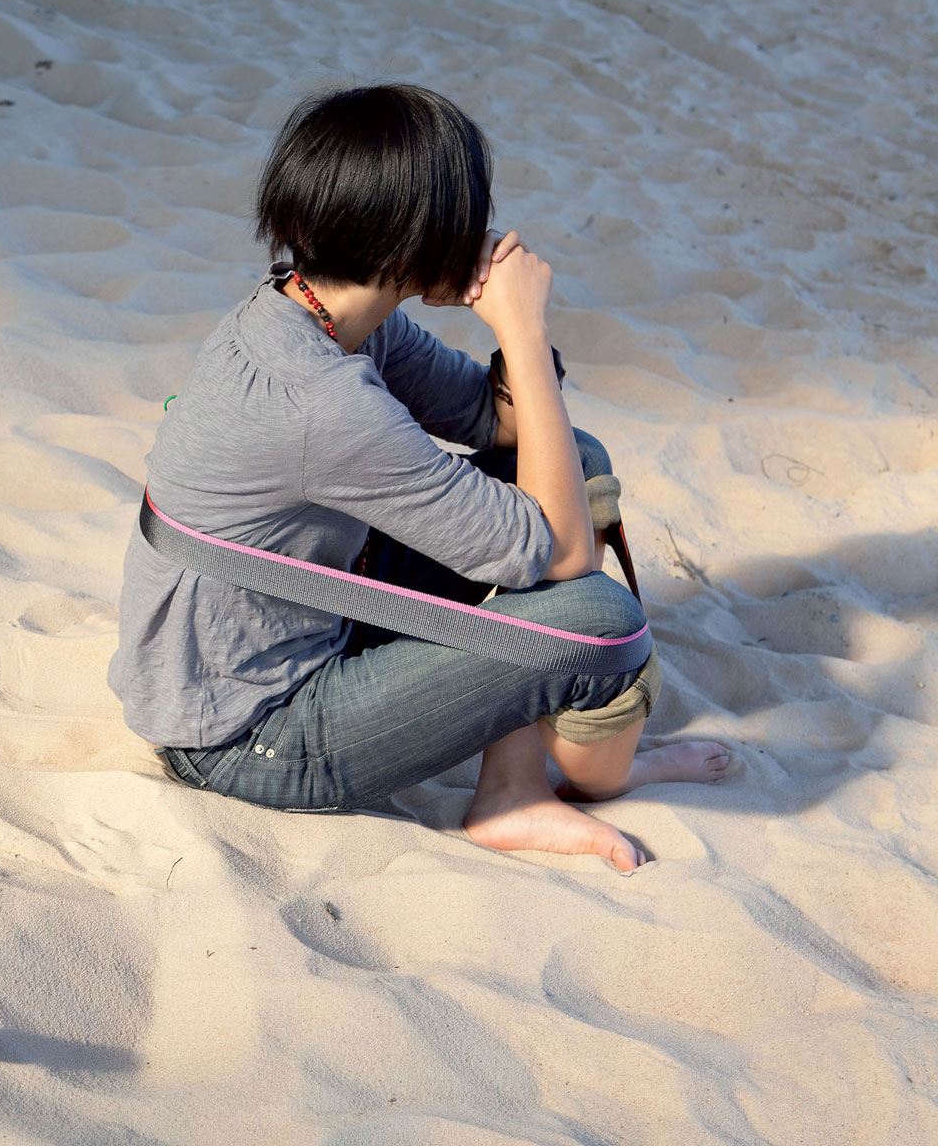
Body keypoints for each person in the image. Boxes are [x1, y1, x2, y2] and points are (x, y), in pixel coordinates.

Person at [107, 84, 727, 873]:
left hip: (314, 609)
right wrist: (523, 329)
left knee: (579, 459)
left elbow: (492, 420)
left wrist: (513, 349)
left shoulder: (322, 314)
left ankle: (512, 787)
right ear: (412, 245)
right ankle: (593, 777)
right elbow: (564, 553)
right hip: (247, 732)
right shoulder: (322, 402)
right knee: (595, 623)